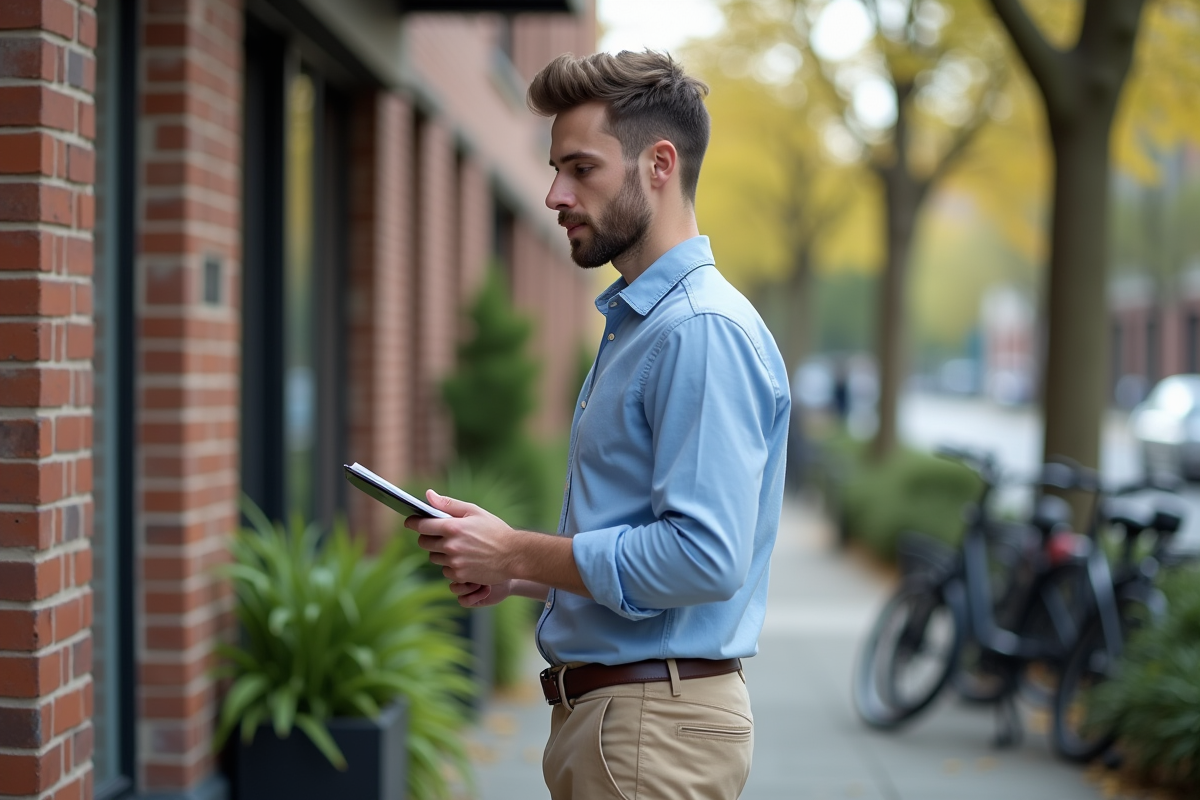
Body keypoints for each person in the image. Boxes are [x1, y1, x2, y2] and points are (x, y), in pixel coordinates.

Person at [407, 50, 790, 800]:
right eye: (554, 169)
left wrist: (518, 548)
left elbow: (704, 559)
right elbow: (651, 551)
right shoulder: (644, 325)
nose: (554, 194)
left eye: (581, 169)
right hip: (631, 721)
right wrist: (514, 570)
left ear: (659, 164)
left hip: (649, 729)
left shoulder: (696, 331)